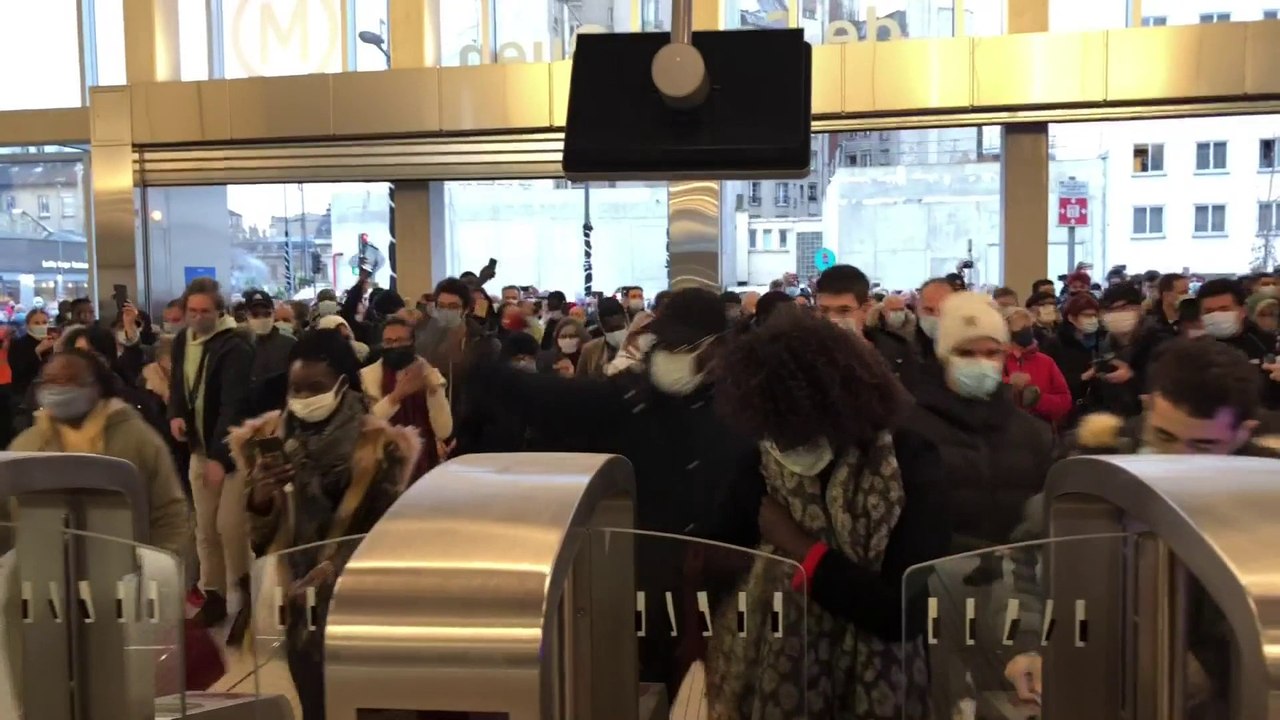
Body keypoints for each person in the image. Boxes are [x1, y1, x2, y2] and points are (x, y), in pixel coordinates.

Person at [1004, 339, 1280, 716]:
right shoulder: (1096, 470)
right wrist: (1034, 644)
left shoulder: (1269, 499)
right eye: (1164, 436)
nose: (1177, 459)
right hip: (1098, 690)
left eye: (1202, 445)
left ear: (1243, 432)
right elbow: (1029, 562)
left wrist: (1208, 670)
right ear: (1148, 407)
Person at [709, 312, 944, 718]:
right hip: (773, 679)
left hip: (882, 681)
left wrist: (801, 548)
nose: (783, 443)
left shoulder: (906, 462)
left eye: (793, 426)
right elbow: (721, 566)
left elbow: (902, 613)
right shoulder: (758, 465)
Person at [233, 330, 420, 720]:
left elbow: (384, 532)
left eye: (314, 387)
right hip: (298, 604)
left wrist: (333, 567)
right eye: (295, 388)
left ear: (341, 384)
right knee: (315, 703)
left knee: (367, 704)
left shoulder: (378, 446)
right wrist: (262, 495)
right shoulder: (270, 439)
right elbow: (261, 537)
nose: (302, 398)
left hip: (358, 599)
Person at [6, 349, 190, 558]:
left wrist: (163, 564)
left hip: (123, 570)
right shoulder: (28, 444)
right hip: (42, 571)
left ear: (96, 386)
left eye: (70, 380)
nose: (59, 388)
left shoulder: (136, 438)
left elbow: (169, 512)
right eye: (51, 380)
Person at [911, 291, 1052, 554]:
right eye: (966, 352)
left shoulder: (1033, 433)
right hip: (935, 580)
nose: (981, 362)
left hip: (1015, 582)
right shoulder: (909, 429)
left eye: (992, 353)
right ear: (943, 356)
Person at [167, 277, 254, 628]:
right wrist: (175, 413)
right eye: (192, 311)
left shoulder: (234, 348)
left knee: (230, 527)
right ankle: (214, 593)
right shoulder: (181, 343)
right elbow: (178, 384)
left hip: (232, 452)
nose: (198, 317)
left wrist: (220, 456)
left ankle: (246, 593)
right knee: (205, 528)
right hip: (199, 448)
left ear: (220, 312)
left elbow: (234, 405)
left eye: (205, 311)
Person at [360, 317, 452, 477]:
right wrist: (396, 396)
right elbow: (366, 427)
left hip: (424, 464)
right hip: (382, 465)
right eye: (388, 341)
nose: (394, 346)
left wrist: (433, 391)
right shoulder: (367, 377)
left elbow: (444, 430)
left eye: (400, 341)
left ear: (412, 343)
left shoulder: (431, 375)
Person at [814, 264, 919, 392]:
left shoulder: (896, 352)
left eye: (844, 310)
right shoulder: (800, 354)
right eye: (823, 310)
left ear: (865, 308)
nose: (831, 319)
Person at [1042, 292, 1136, 427]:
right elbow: (1052, 381)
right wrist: (1084, 376)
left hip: (1101, 406)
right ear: (1072, 318)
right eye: (1086, 315)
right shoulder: (1056, 343)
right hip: (1071, 410)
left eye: (1094, 315)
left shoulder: (1103, 340)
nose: (1092, 319)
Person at [1195, 278, 1280, 410]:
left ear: (1242, 310)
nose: (1216, 315)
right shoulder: (1190, 350)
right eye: (1209, 311)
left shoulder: (1267, 343)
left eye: (1224, 309)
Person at [1003, 307, 1073, 427]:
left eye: (1028, 326)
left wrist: (1038, 400)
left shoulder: (1046, 362)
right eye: (1020, 327)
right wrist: (1009, 384)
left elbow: (1065, 401)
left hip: (1040, 430)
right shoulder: (997, 361)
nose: (1026, 331)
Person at [243, 289, 295, 415]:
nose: (261, 318)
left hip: (282, 415)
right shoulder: (238, 347)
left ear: (273, 314)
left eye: (266, 314)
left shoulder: (289, 344)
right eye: (255, 314)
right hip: (247, 417)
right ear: (247, 315)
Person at [7, 308, 55, 430]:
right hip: (25, 396)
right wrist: (37, 352)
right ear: (28, 325)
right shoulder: (18, 344)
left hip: (49, 395)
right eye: (36, 323)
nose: (41, 326)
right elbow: (18, 370)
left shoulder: (52, 343)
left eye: (44, 322)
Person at [577, 298, 628, 377]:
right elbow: (579, 382)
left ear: (625, 320)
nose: (615, 333)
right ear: (602, 326)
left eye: (619, 328)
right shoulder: (590, 349)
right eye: (610, 330)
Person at [915, 277, 954, 366]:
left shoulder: (967, 346)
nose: (936, 316)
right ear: (918, 308)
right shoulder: (903, 346)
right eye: (929, 310)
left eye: (943, 310)